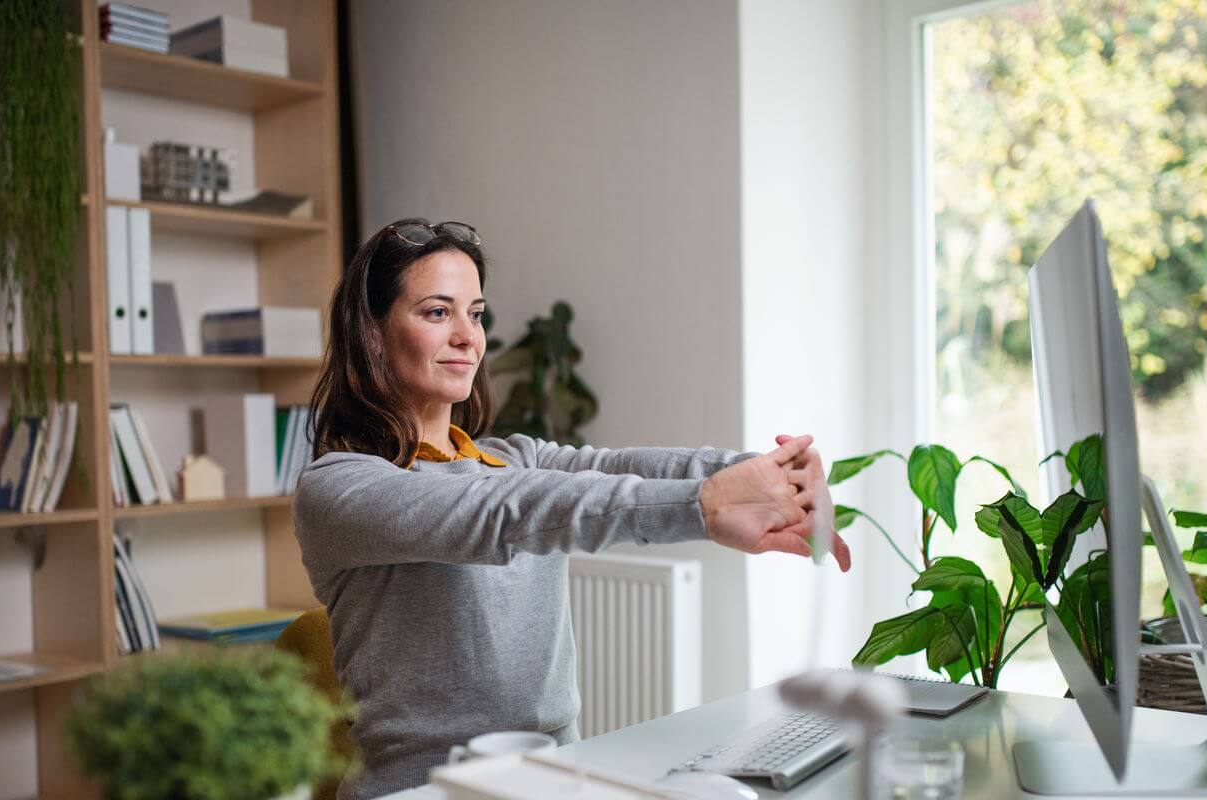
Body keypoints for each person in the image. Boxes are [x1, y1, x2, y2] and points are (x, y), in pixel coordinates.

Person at [294, 218, 852, 799]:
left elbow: (617, 468)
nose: (468, 336)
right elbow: (503, 512)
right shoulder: (340, 489)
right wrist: (704, 505)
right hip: (422, 787)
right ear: (374, 335)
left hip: (558, 774)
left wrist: (763, 471)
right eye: (438, 312)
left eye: (476, 313)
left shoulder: (514, 457)